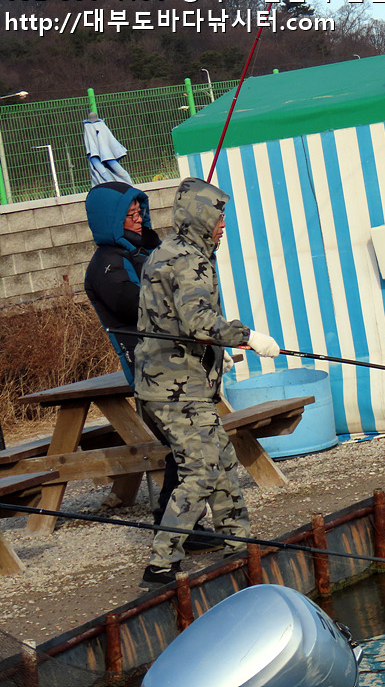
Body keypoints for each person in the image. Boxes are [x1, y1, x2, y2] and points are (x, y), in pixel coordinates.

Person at [135, 177, 281, 588]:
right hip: (176, 390)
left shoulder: (166, 251)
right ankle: (160, 565)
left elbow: (172, 321)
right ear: (200, 217)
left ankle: (238, 544)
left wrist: (216, 356)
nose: (223, 225)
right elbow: (199, 321)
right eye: (218, 218)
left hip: (171, 383)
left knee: (222, 461)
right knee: (199, 470)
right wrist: (248, 337)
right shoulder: (190, 261)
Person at [83, 181, 222, 554]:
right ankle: (177, 531)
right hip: (154, 373)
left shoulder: (147, 251)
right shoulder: (108, 265)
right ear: (108, 219)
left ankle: (179, 525)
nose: (137, 219)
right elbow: (138, 304)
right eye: (128, 215)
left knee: (187, 448)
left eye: (139, 212)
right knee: (187, 448)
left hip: (181, 367)